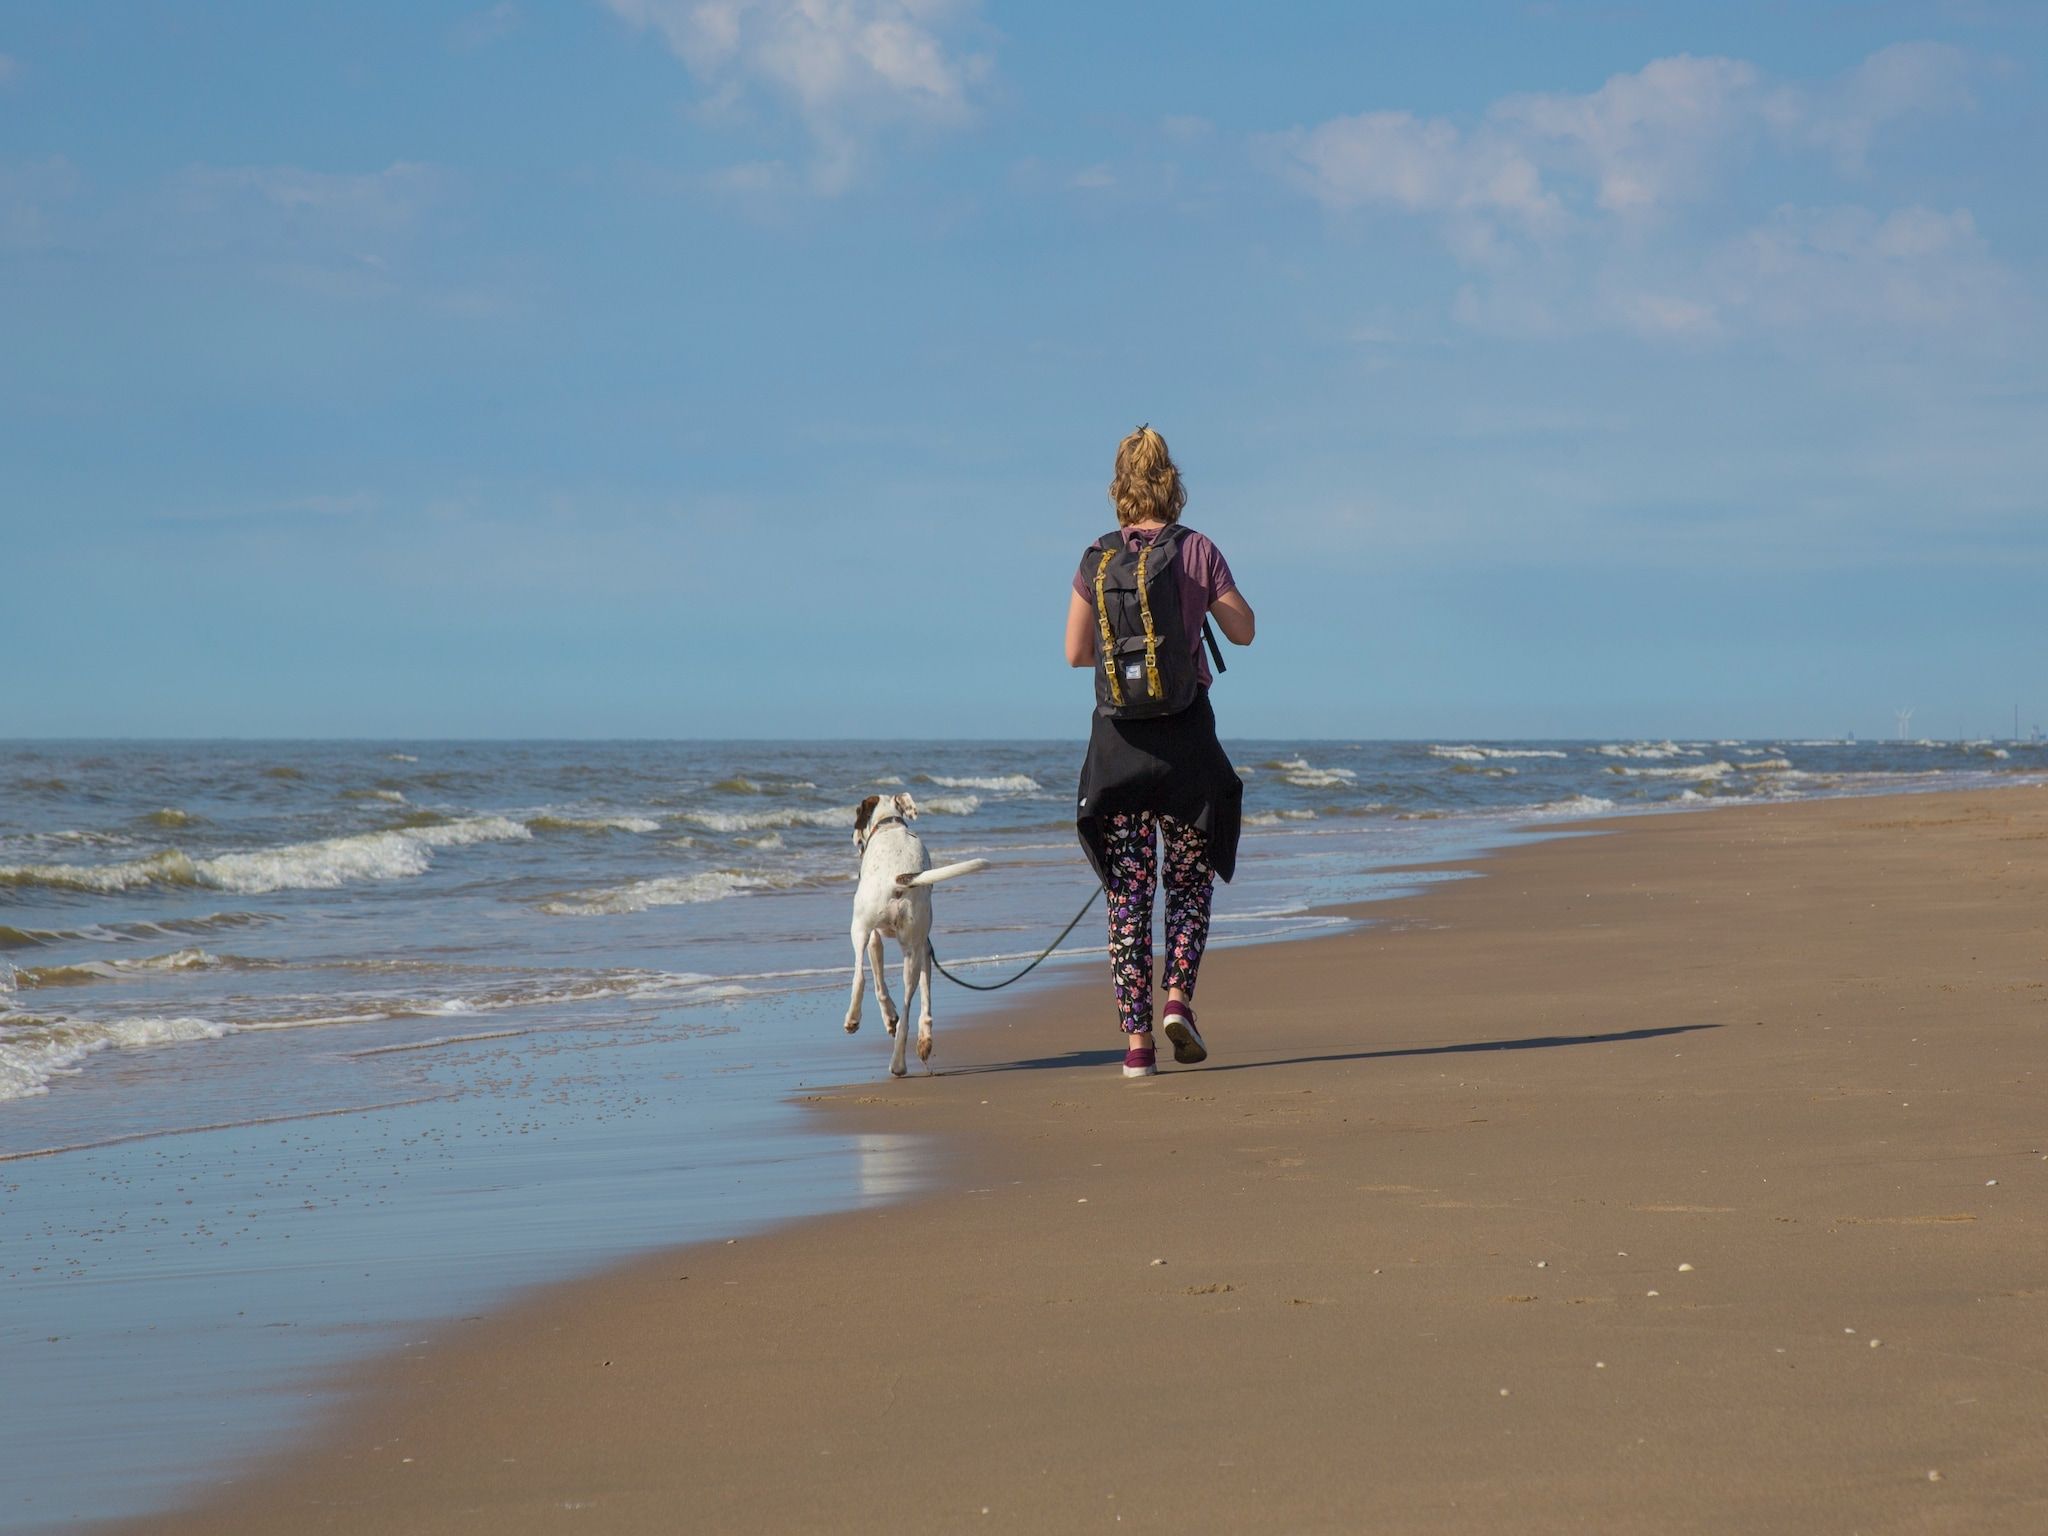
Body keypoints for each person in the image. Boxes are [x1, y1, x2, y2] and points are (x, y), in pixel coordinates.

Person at [1066, 425, 1255, 1078]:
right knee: (1188, 880)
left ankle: (1137, 1046)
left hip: (1118, 746)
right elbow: (1245, 630)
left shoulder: (1096, 556)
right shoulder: (1197, 550)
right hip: (1185, 743)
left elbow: (1075, 653)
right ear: (1171, 483)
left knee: (1128, 896)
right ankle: (1178, 1000)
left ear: (1119, 488)